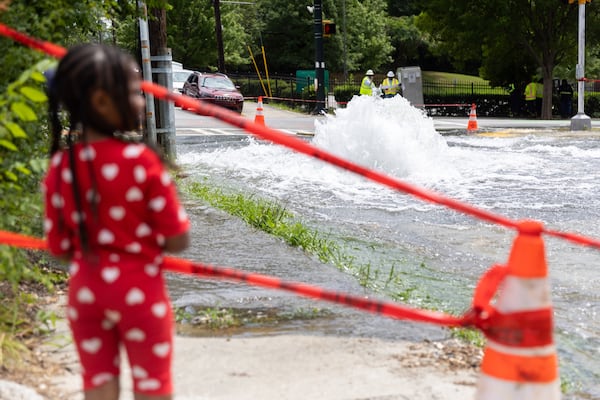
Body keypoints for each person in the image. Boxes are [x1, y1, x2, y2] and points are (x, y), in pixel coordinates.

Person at [42, 43, 190, 400]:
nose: (141, 101)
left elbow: (59, 248)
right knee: (153, 383)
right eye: (132, 92)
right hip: (140, 294)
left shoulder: (61, 168)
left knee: (97, 381)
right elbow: (178, 238)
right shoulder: (142, 162)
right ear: (102, 102)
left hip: (86, 293)